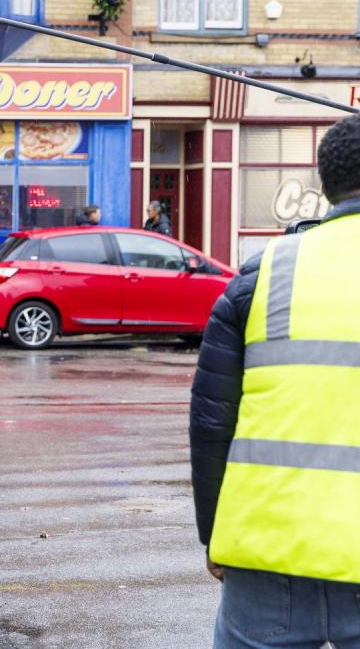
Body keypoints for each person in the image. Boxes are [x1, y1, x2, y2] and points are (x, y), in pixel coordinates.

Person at [190, 114, 360, 648]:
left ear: (324, 185)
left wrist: (215, 534)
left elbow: (212, 422)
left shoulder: (265, 274)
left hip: (271, 549)